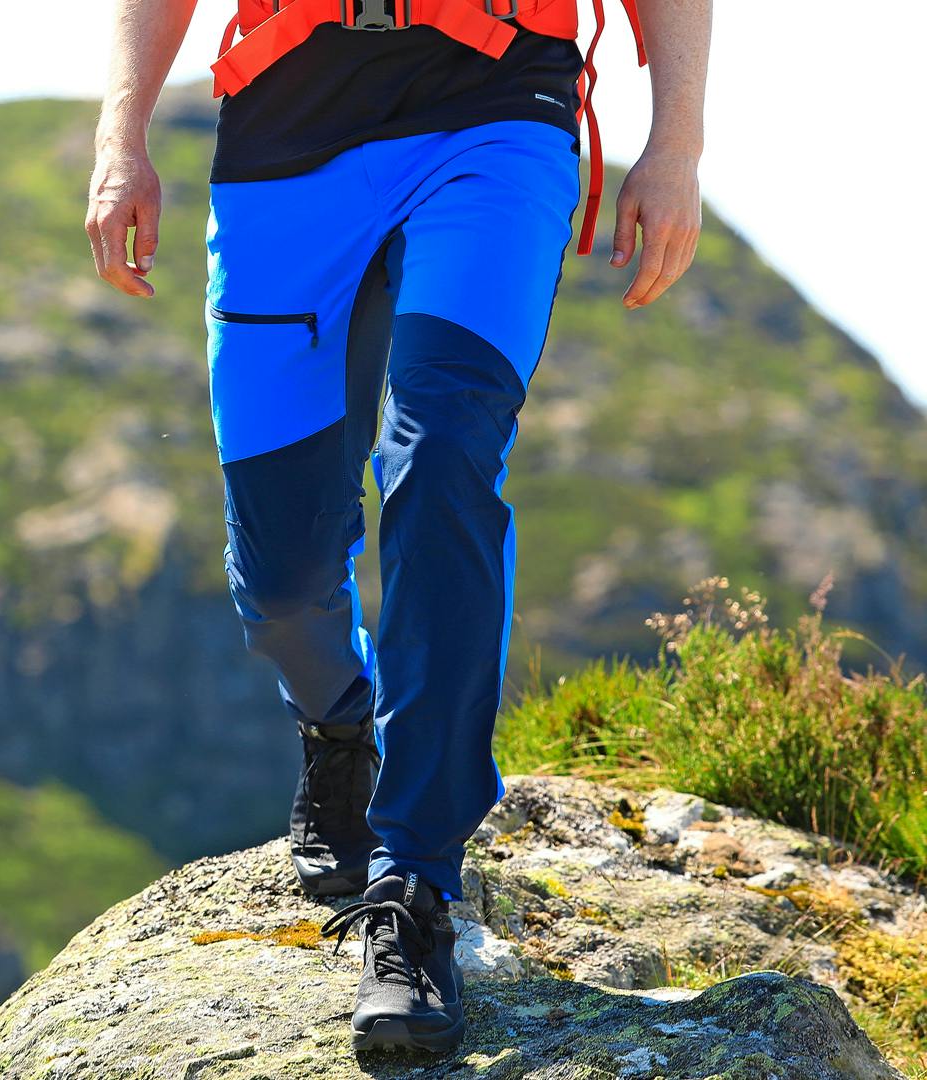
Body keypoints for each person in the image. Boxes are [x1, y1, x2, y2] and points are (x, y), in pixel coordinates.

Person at [85, 0, 710, 1055]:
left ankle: (416, 884)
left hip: (497, 104)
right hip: (288, 127)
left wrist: (676, 144)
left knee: (442, 455)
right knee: (280, 580)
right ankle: (338, 728)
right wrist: (121, 141)